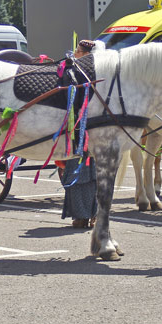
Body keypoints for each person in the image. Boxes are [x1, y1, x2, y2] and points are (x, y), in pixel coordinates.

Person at [59, 39, 98, 229]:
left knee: (87, 177)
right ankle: (85, 216)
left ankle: (86, 216)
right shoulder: (74, 72)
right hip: (79, 132)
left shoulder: (81, 74)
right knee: (84, 177)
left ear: (84, 54)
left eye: (78, 52)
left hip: (83, 133)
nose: (75, 54)